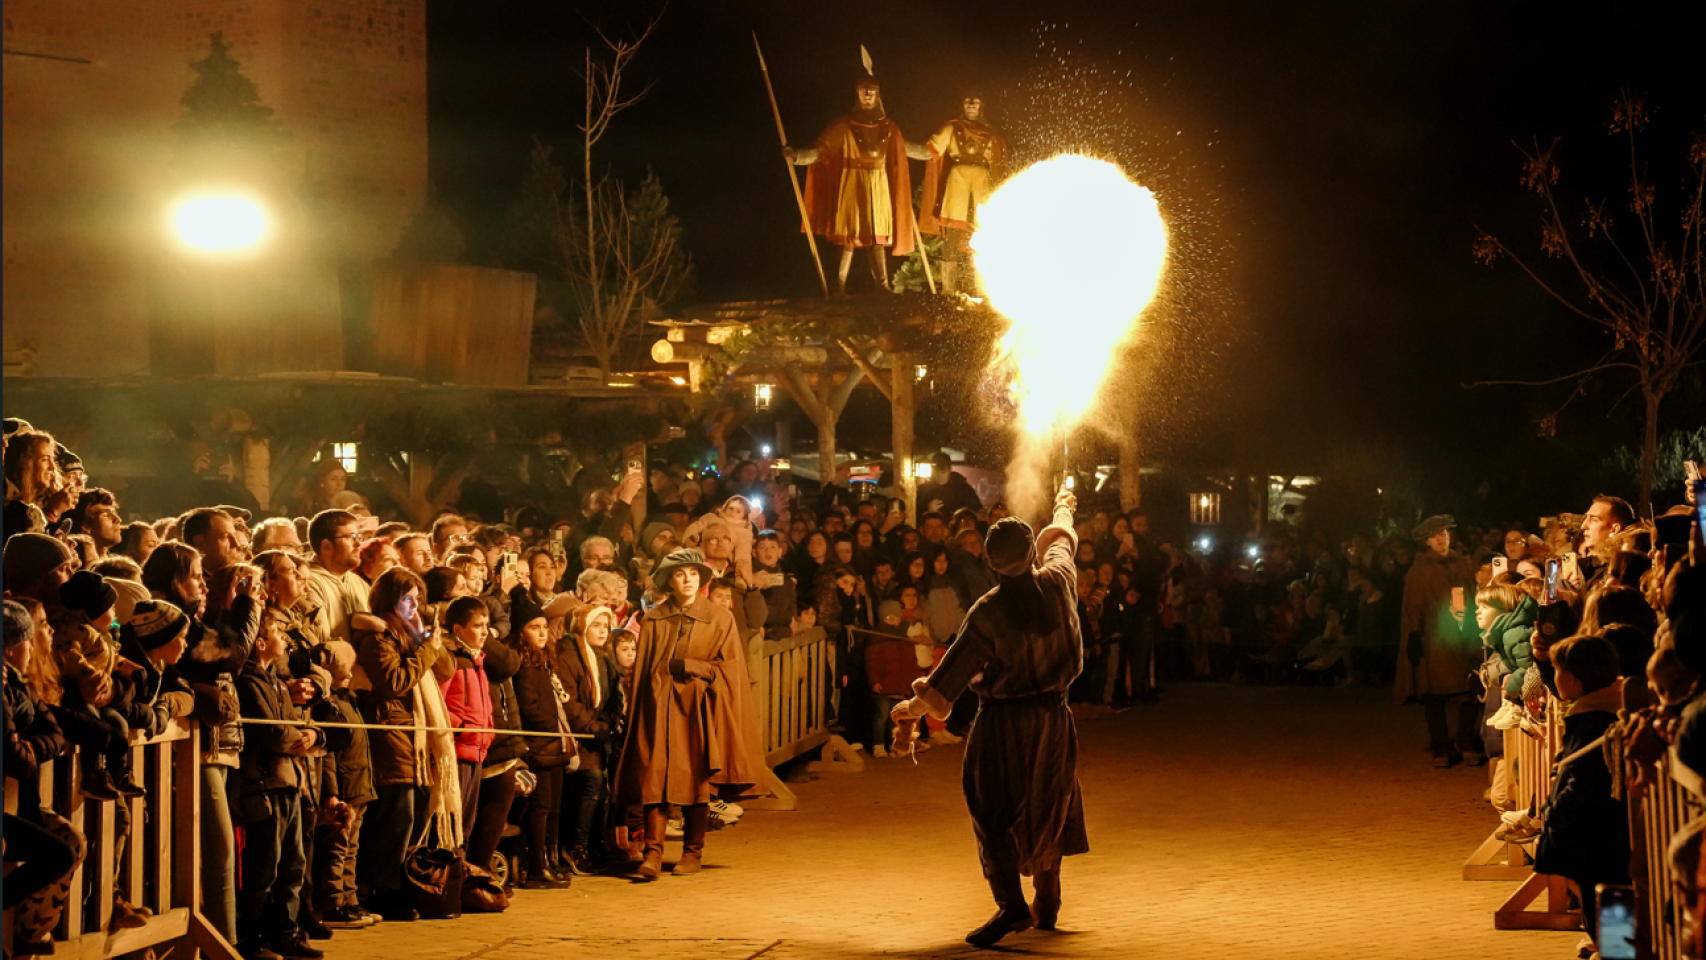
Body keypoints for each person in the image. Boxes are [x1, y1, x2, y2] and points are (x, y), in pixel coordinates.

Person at [889, 484, 1089, 947]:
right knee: (1048, 802)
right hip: (1053, 721)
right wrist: (1064, 504)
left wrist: (914, 708)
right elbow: (1062, 540)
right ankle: (1047, 899)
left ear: (993, 563)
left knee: (991, 809)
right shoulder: (1059, 579)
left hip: (1002, 728)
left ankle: (1012, 905)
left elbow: (948, 680)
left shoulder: (988, 611)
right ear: (1030, 555)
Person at [614, 548, 768, 880]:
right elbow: (642, 672)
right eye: (680, 574)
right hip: (659, 708)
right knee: (654, 779)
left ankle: (692, 852)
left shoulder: (719, 618)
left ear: (702, 580)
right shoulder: (654, 618)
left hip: (698, 711)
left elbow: (728, 671)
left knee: (696, 780)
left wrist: (691, 667)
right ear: (669, 580)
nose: (687, 580)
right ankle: (653, 855)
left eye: (694, 574)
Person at [786, 75, 924, 294]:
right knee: (849, 235)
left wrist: (934, 152)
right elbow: (822, 151)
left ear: (878, 95)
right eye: (863, 90)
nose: (867, 94)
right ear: (857, 94)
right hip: (852, 182)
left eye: (871, 91)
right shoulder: (844, 125)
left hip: (879, 183)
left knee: (877, 235)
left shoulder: (888, 127)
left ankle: (883, 285)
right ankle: (839, 285)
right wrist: (798, 156)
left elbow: (904, 150)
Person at [1396, 515, 1483, 768]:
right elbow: (1413, 606)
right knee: (1433, 693)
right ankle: (1440, 745)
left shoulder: (1463, 563)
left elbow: (1474, 594)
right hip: (1434, 639)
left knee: (1470, 689)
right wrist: (1413, 635)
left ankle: (1464, 739)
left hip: (1463, 633)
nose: (1441, 538)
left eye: (1444, 533)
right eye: (1435, 535)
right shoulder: (1419, 569)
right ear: (1426, 541)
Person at [918, 92, 1007, 295]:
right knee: (953, 236)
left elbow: (1000, 168)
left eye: (976, 100)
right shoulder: (951, 128)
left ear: (982, 104)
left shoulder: (992, 134)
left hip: (982, 185)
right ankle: (948, 290)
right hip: (957, 184)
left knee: (982, 236)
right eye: (968, 99)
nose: (972, 104)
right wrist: (898, 145)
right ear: (962, 103)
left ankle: (981, 291)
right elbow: (929, 150)